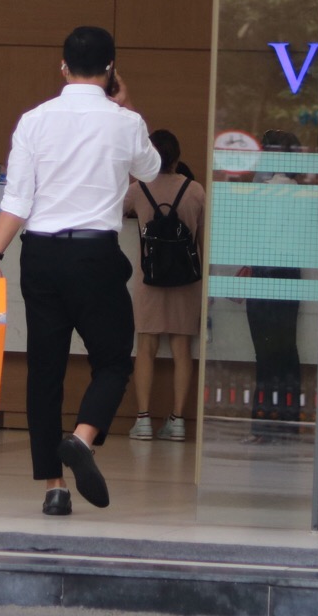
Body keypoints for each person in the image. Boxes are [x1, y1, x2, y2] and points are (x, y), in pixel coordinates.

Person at [0, 26, 161, 516]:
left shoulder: (34, 121)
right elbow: (150, 170)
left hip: (40, 255)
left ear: (62, 67)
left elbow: (17, 199)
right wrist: (125, 104)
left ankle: (54, 489)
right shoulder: (126, 122)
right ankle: (81, 438)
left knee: (45, 371)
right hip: (96, 256)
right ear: (111, 69)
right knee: (113, 361)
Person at [123, 128, 206, 442]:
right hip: (187, 281)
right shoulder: (195, 190)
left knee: (146, 348)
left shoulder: (138, 189)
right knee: (182, 350)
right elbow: (203, 241)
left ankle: (143, 419)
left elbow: (111, 211)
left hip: (151, 280)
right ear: (177, 158)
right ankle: (178, 420)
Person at [243, 129, 307, 443]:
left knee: (265, 352)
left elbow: (259, 236)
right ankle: (288, 421)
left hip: (266, 273)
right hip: (289, 273)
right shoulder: (301, 193)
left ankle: (264, 424)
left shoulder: (264, 192)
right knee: (286, 349)